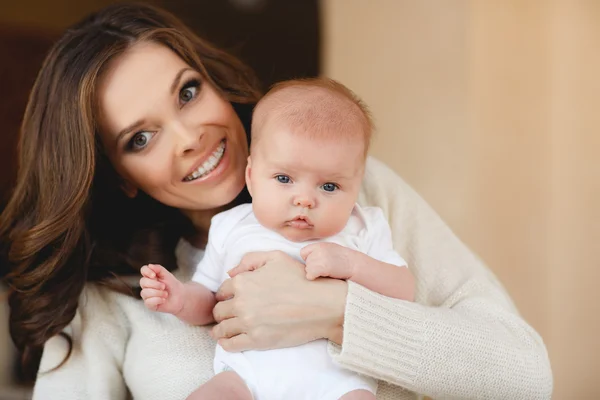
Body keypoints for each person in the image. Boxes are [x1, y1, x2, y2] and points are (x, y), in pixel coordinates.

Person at [0, 3, 553, 400]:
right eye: (140, 138)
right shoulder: (115, 290)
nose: (190, 135)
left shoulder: (351, 199)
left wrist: (335, 315)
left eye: (188, 92)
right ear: (119, 175)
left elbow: (526, 376)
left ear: (214, 83)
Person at [140, 77, 416, 400]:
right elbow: (210, 299)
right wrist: (180, 299)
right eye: (284, 178)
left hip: (338, 381)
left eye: (329, 187)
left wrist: (351, 265)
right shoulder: (231, 227)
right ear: (251, 177)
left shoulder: (362, 226)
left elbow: (404, 289)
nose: (304, 199)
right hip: (246, 376)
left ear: (356, 188)